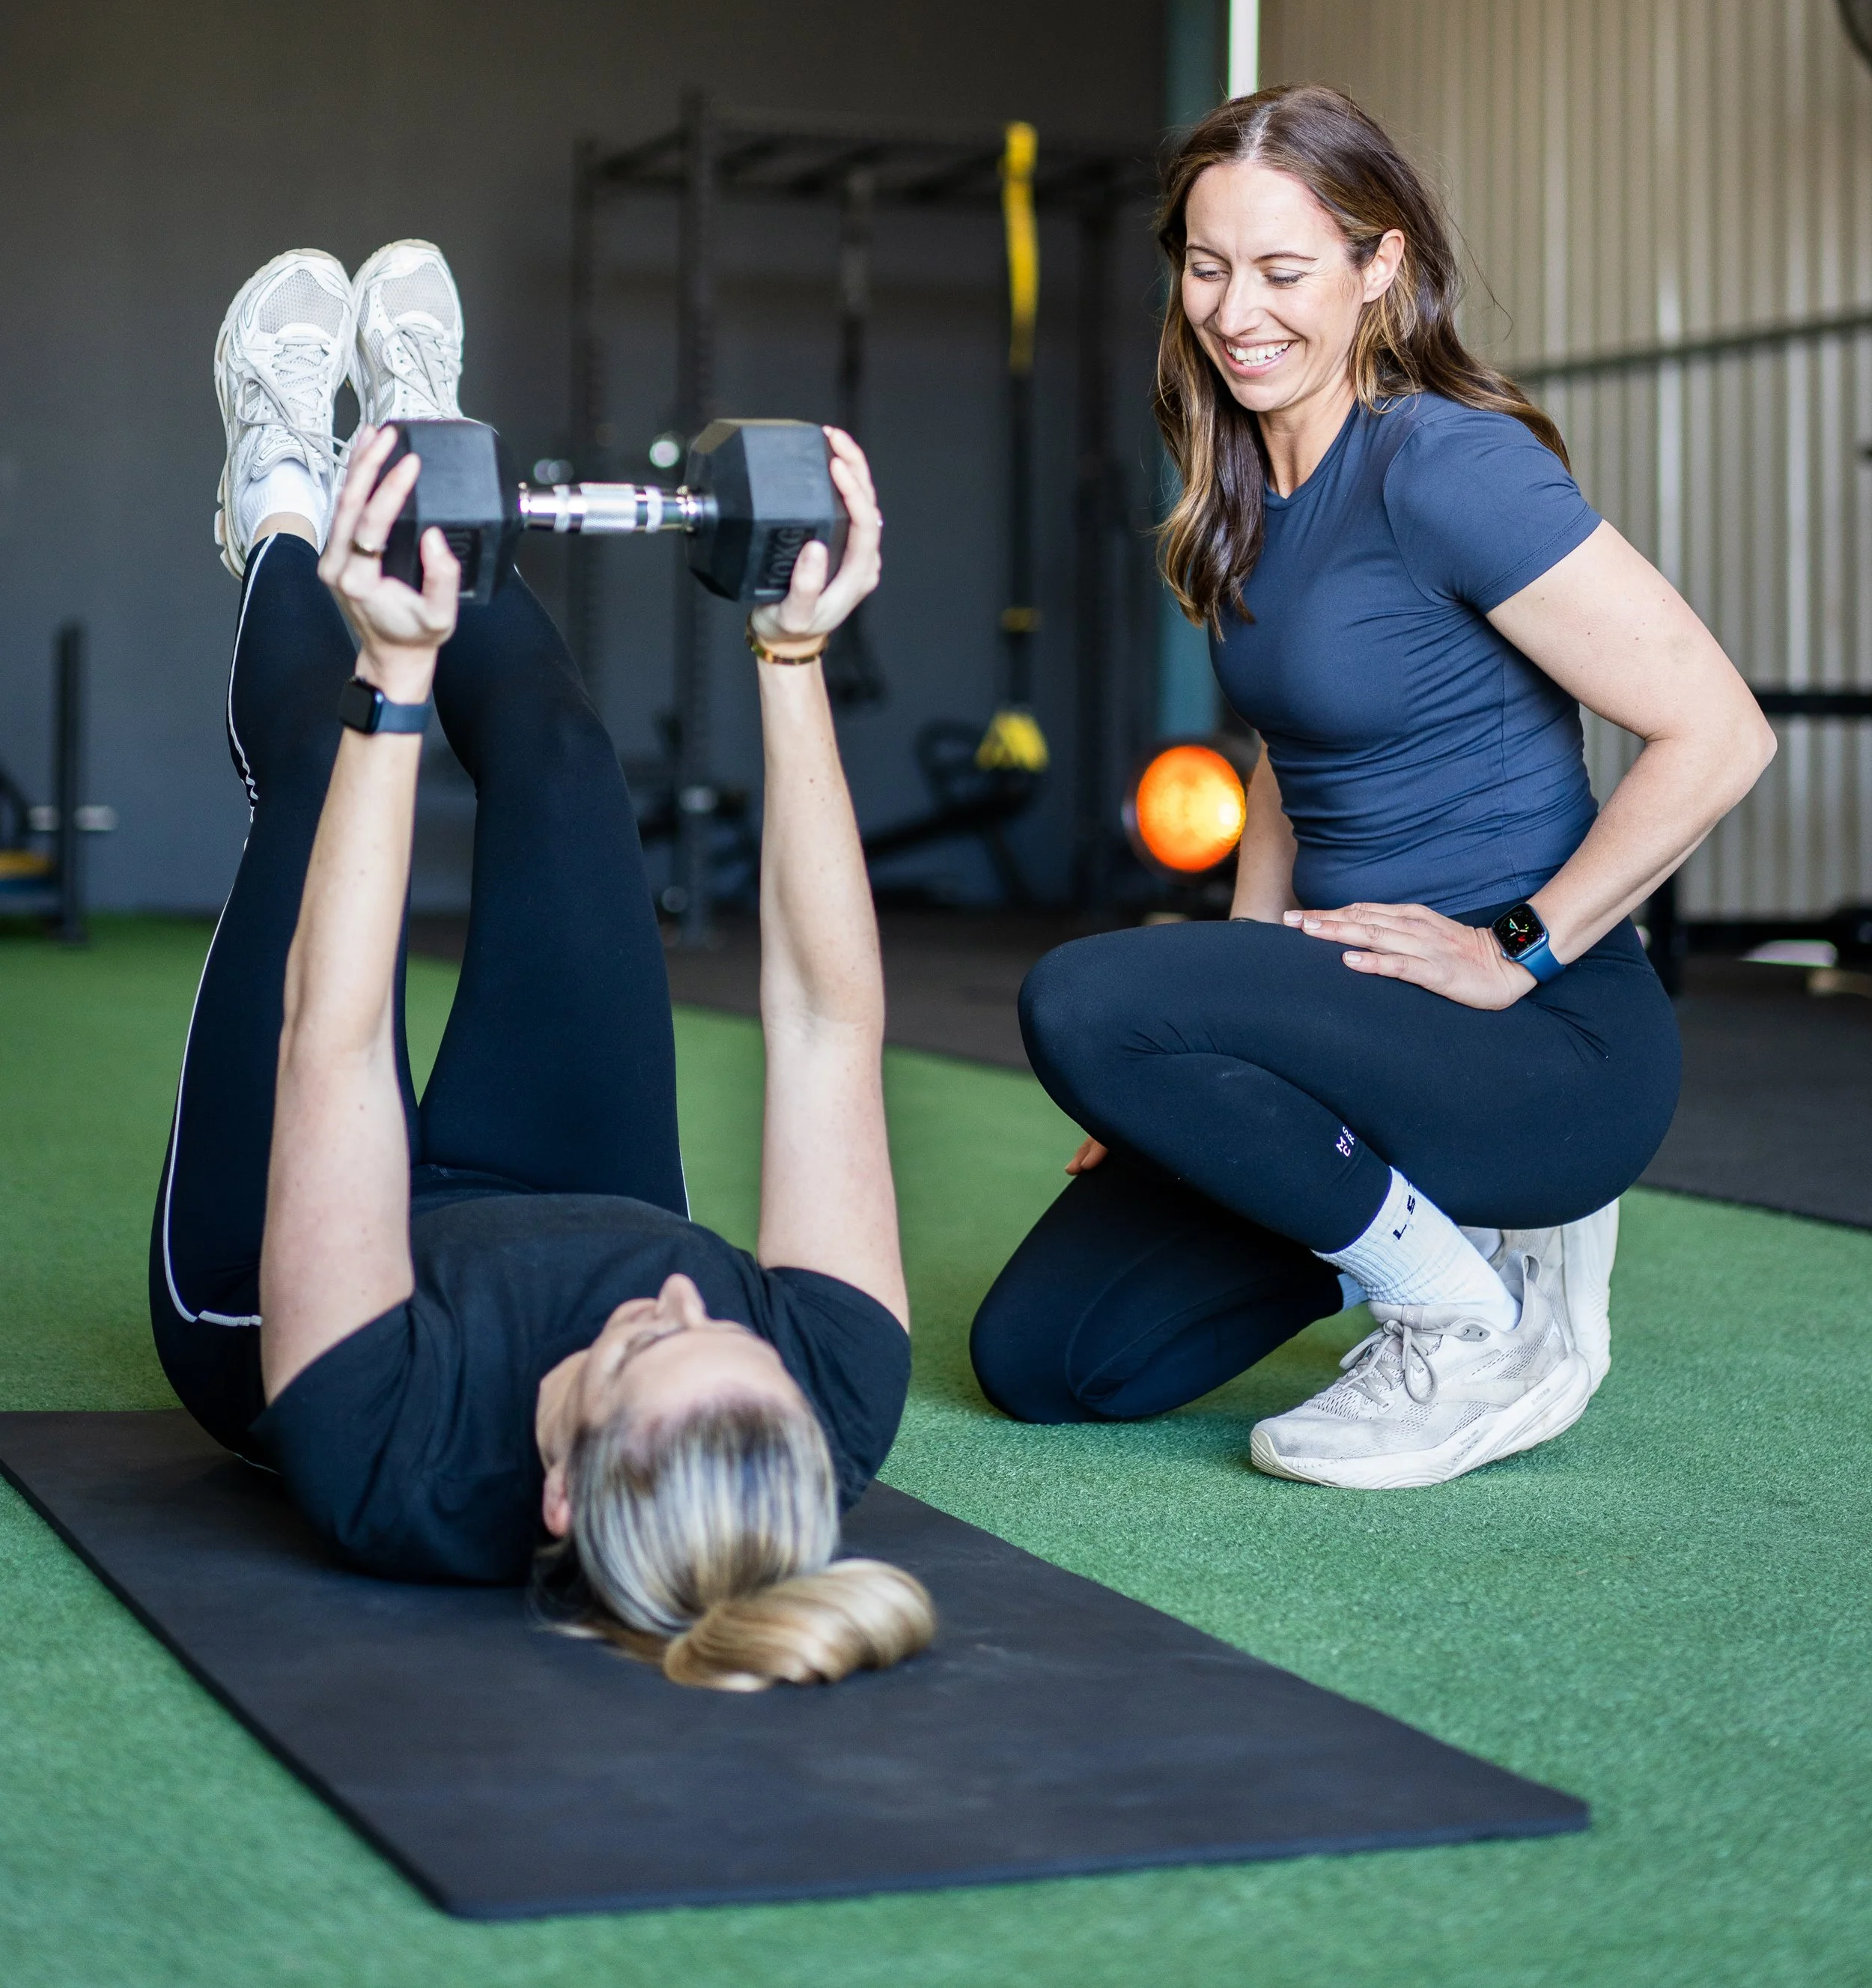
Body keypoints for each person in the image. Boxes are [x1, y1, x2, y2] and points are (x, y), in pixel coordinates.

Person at [153, 239, 932, 1688]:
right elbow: (828, 1025)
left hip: (294, 1273)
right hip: (559, 1178)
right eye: (735, 1334)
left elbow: (332, 1039)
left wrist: (394, 681)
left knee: (325, 789)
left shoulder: (390, 1449)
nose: (688, 1299)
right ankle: (422, 457)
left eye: (645, 1348)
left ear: (560, 1495)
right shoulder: (831, 1396)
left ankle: (272, 497)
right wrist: (793, 656)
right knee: (573, 769)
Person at [971, 85, 1774, 1490]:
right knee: (1053, 1361)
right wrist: (1190, 1063)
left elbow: (1719, 731)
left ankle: (1468, 1313)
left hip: (1535, 1049)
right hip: (1357, 1025)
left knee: (1081, 996)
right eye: (1209, 268)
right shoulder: (1246, 493)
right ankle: (1411, 1232)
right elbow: (1292, 755)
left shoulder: (1446, 465)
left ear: (1377, 268)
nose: (1238, 311)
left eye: (1285, 271)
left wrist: (1516, 949)